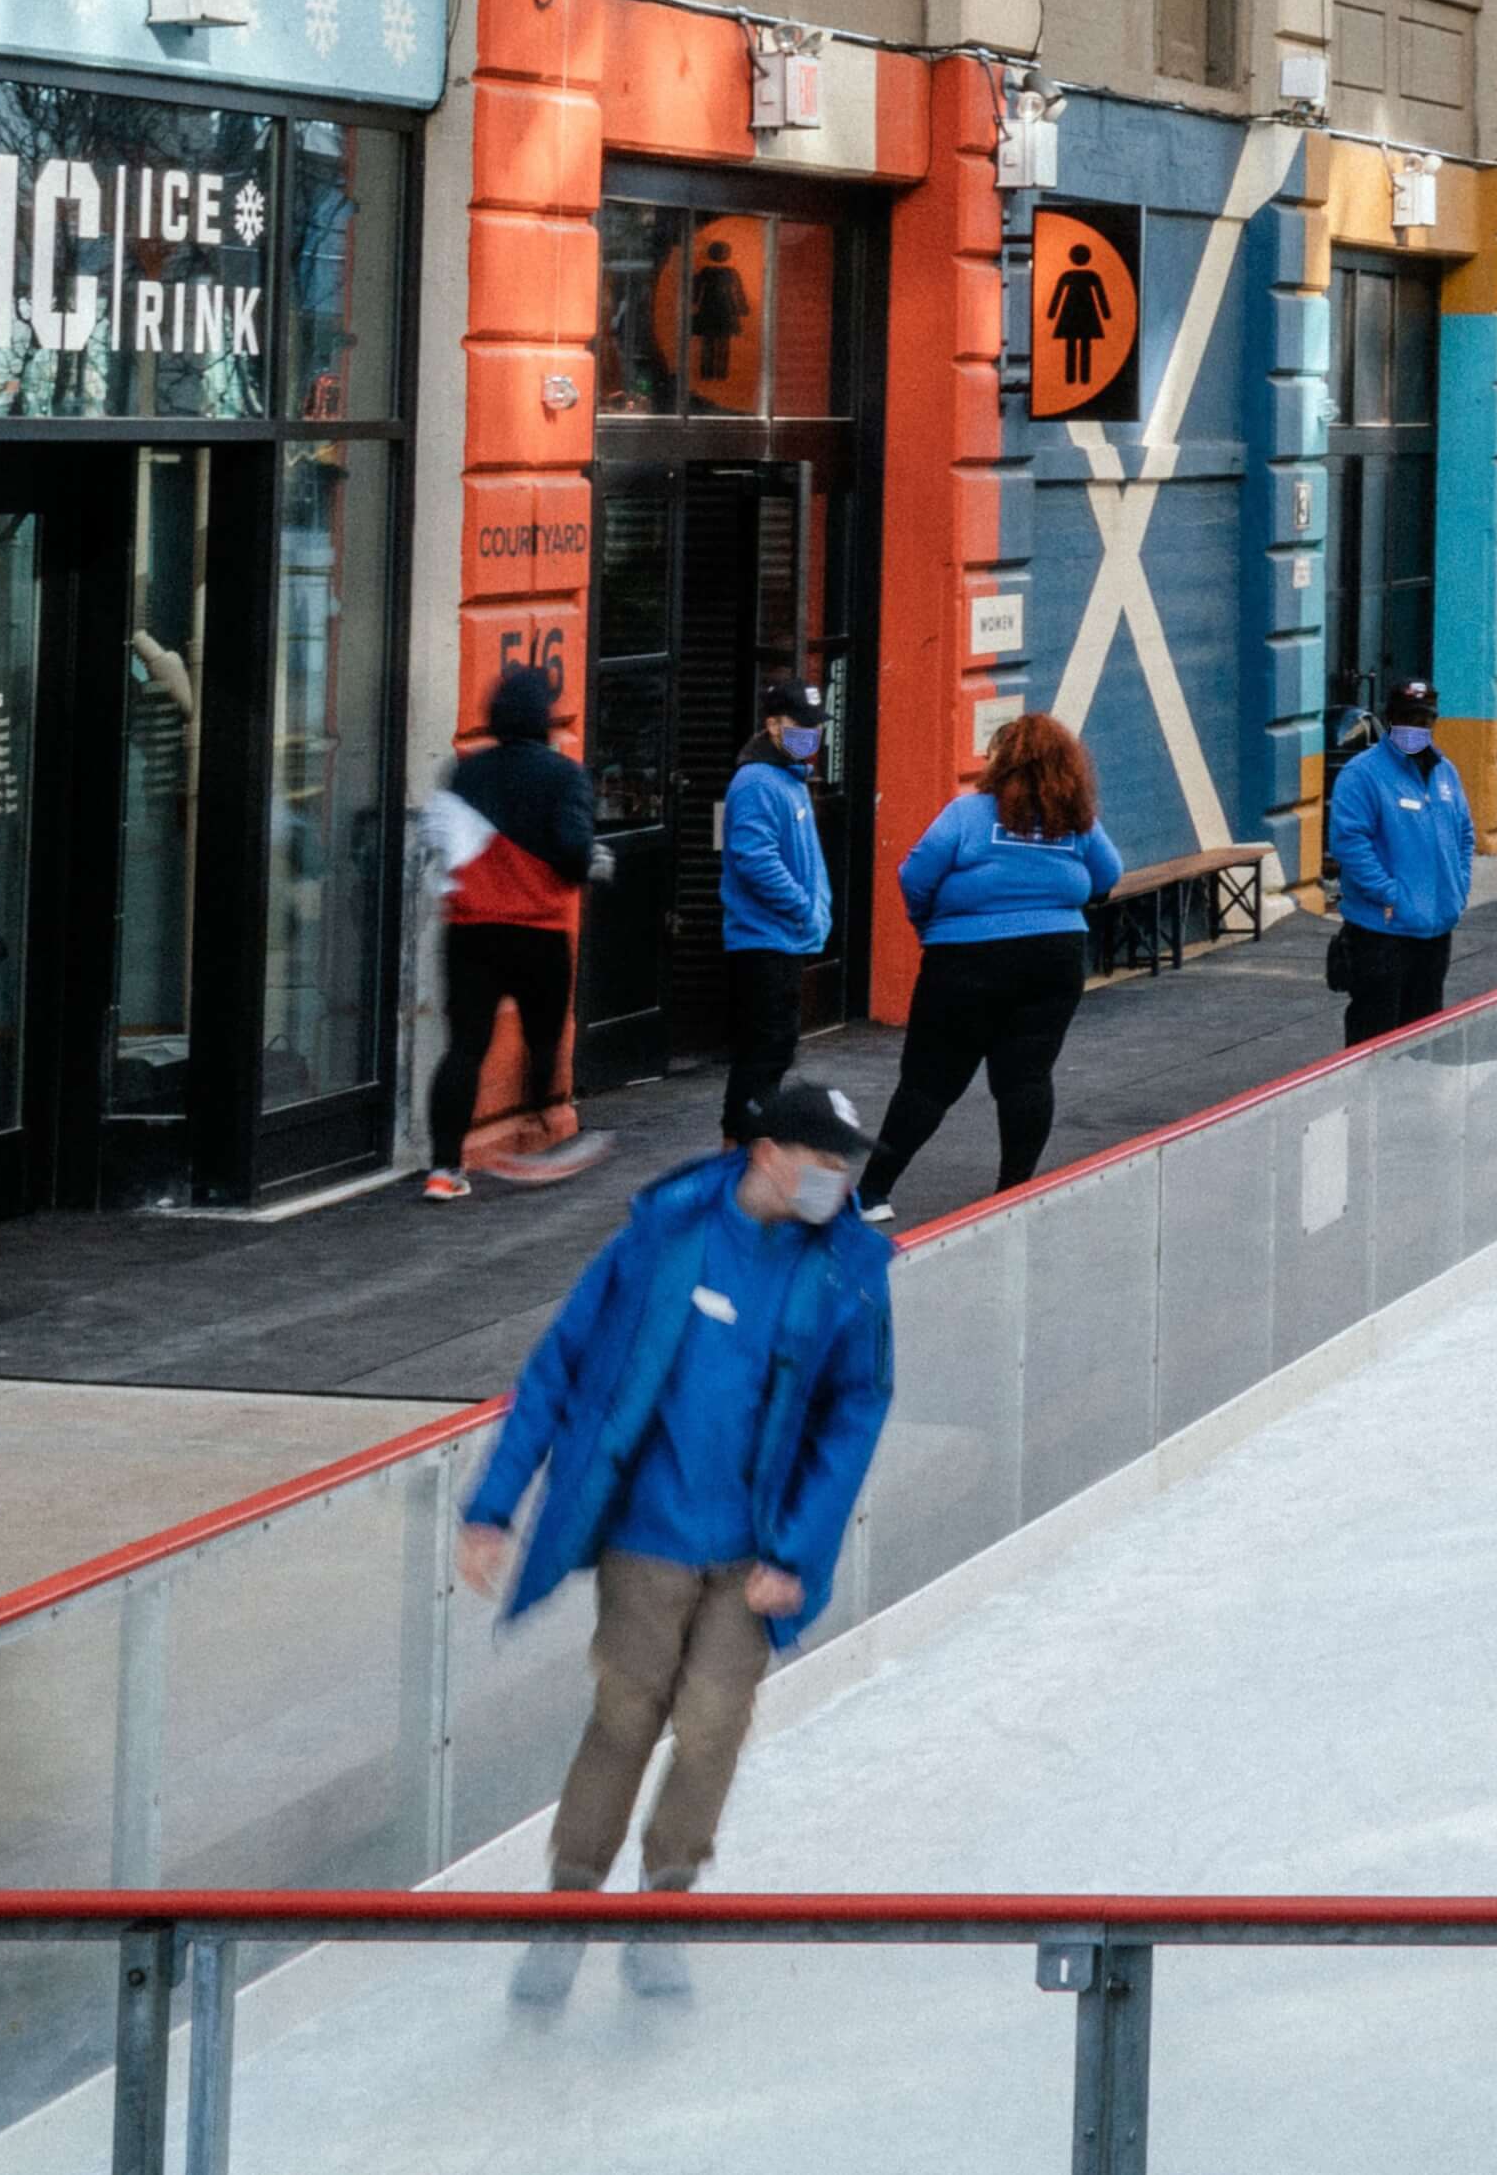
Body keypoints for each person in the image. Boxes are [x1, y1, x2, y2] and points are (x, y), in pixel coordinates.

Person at [454, 1078, 898, 1999]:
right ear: (769, 1155)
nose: (836, 1186)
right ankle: (569, 1908)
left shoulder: (846, 1269)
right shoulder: (664, 1240)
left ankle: (664, 1910)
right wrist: (494, 1506)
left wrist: (802, 1551)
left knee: (710, 1730)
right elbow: (558, 1371)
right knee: (624, 1715)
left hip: (753, 1560)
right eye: (822, 1165)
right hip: (647, 1543)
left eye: (843, 1171)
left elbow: (855, 1410)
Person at [855, 714, 1124, 1219]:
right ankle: (1012, 1191)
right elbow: (1108, 877)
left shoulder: (968, 814)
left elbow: (915, 874)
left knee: (928, 1081)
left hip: (964, 960)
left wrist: (929, 925)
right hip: (1054, 957)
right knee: (1027, 1077)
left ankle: (873, 1193)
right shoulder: (1078, 821)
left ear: (1001, 762)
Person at [420, 662, 607, 1201]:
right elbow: (574, 854)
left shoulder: (464, 773)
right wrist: (591, 863)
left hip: (470, 933)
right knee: (544, 1041)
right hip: (538, 933)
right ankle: (539, 1141)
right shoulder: (565, 775)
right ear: (545, 719)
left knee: (464, 1049)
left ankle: (442, 1169)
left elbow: (440, 841)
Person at [707, 686, 833, 1146]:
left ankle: (749, 1148)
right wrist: (803, 906)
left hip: (783, 939)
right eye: (803, 726)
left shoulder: (787, 778)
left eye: (818, 725)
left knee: (772, 1054)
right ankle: (739, 1152)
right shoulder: (759, 781)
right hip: (765, 941)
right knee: (762, 1056)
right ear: (774, 724)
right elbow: (753, 858)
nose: (813, 734)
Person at [1321, 677, 1475, 1044]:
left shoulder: (1445, 773)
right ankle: (1365, 1103)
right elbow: (1349, 842)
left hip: (1434, 931)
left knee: (1423, 1041)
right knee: (1374, 1037)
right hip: (1382, 932)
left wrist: (1458, 887)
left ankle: (1416, 1103)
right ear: (1391, 720)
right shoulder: (1363, 774)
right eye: (1408, 719)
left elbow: (1465, 834)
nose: (1417, 728)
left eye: (1424, 720)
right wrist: (1389, 894)